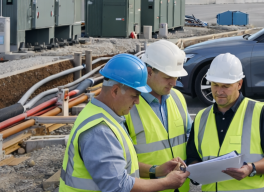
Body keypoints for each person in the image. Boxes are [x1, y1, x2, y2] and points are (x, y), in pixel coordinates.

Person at [60, 54, 189, 192]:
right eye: (134, 95)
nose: (138, 102)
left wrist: (156, 171)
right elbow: (119, 185)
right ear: (115, 91)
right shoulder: (100, 130)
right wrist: (166, 183)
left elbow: (124, 167)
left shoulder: (104, 115)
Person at [186, 53, 264, 191]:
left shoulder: (260, 112)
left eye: (226, 86)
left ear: (239, 84)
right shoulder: (201, 117)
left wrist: (251, 168)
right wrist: (195, 172)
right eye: (215, 85)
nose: (219, 91)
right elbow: (193, 156)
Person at [125, 41, 192, 192]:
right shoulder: (128, 105)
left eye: (176, 77)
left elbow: (190, 137)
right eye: (168, 77)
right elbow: (121, 165)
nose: (174, 83)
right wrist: (155, 171)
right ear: (149, 72)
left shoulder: (178, 98)